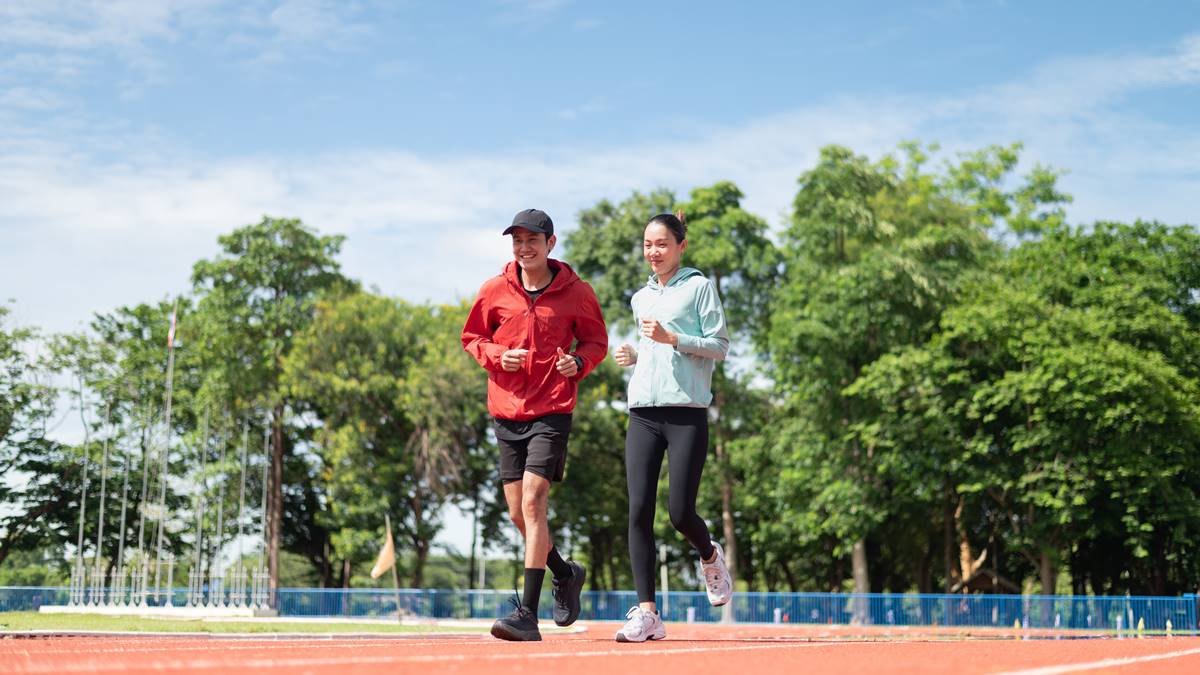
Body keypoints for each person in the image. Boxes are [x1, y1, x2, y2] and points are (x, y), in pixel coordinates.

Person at [462, 208, 609, 642]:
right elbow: (472, 337)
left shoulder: (576, 292)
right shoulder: (494, 290)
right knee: (517, 514)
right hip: (506, 411)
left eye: (533, 240)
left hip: (552, 408)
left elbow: (596, 341)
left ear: (551, 243)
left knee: (533, 503)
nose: (524, 248)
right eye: (517, 241)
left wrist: (578, 362)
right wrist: (495, 355)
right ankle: (564, 572)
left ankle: (527, 614)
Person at [611, 210, 733, 643]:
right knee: (638, 510)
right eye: (647, 244)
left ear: (681, 245)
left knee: (681, 512)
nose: (653, 252)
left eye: (662, 243)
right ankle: (648, 614)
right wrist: (638, 356)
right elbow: (658, 353)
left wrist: (673, 338)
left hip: (686, 412)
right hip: (643, 410)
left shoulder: (699, 287)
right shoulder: (640, 297)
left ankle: (709, 554)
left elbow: (719, 346)